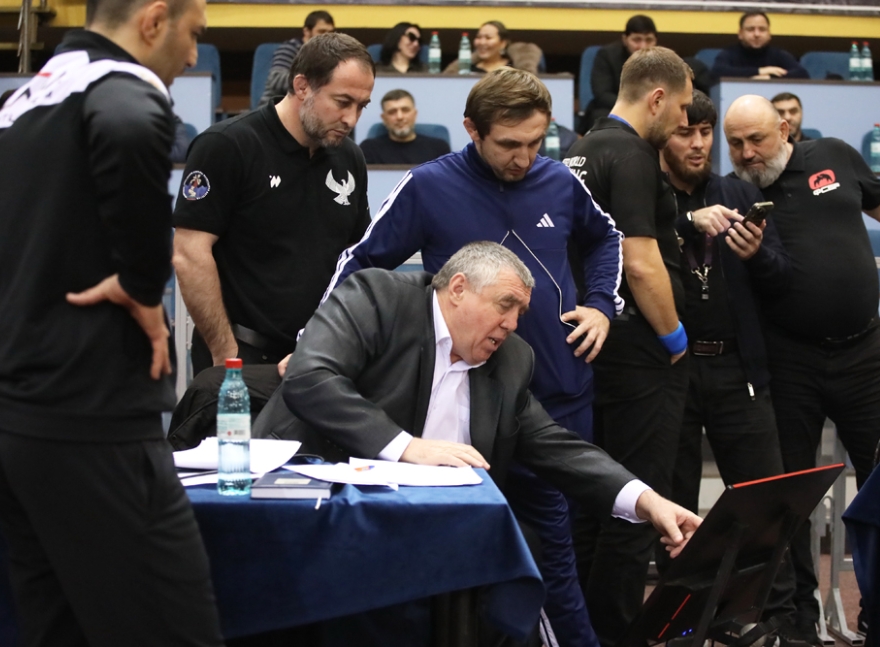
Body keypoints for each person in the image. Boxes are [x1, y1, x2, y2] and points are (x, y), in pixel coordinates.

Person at [267, 242, 701, 642]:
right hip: (314, 502)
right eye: (505, 305)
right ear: (458, 289)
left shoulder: (511, 361)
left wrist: (648, 501)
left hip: (422, 526)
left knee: (519, 554)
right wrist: (406, 447)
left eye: (520, 313)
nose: (511, 324)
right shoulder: (379, 298)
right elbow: (310, 377)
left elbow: (558, 446)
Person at [328, 67, 624, 647]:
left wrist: (600, 305)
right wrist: (314, 344)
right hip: (468, 410)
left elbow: (605, 237)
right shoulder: (428, 185)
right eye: (509, 144)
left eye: (535, 142)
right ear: (472, 129)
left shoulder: (559, 180)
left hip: (561, 400)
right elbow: (359, 264)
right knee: (465, 557)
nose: (524, 158)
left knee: (555, 556)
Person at [0, 0, 224, 642]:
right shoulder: (121, 87)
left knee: (59, 629)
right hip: (88, 420)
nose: (192, 56)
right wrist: (142, 283)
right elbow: (129, 124)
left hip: (9, 422)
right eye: (193, 35)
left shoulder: (14, 109)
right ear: (153, 21)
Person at [723, 94, 880, 644]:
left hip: (863, 354)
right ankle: (797, 619)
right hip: (789, 361)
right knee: (791, 496)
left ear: (785, 129)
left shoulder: (834, 155)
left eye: (757, 139)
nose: (748, 153)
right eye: (736, 144)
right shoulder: (734, 194)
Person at [661, 90, 818, 646]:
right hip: (672, 370)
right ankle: (679, 626)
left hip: (737, 369)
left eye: (706, 133)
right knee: (674, 507)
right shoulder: (651, 195)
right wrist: (686, 222)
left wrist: (758, 255)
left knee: (767, 505)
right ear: (663, 136)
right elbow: (632, 254)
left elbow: (782, 277)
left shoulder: (739, 192)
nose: (698, 144)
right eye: (686, 133)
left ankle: (780, 623)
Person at [564, 46, 693, 646]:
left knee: (596, 497)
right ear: (658, 98)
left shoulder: (579, 148)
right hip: (640, 350)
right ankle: (616, 634)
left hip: (593, 347)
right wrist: (674, 336)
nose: (685, 121)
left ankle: (581, 632)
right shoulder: (636, 155)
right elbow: (640, 262)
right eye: (683, 107)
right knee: (636, 501)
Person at [173, 33, 374, 375]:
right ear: (302, 86)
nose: (352, 119)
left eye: (361, 106)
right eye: (342, 102)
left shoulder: (349, 158)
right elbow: (189, 253)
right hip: (242, 355)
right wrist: (226, 355)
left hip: (320, 358)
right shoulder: (227, 145)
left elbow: (355, 259)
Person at [588, 15, 658, 128]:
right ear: (625, 40)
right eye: (637, 40)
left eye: (649, 40)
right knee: (601, 117)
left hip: (650, 109)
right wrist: (634, 107)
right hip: (615, 107)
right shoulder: (607, 55)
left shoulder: (663, 60)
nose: (643, 46)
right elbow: (602, 94)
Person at [257, 9, 335, 106]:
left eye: (330, 32)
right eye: (321, 31)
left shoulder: (329, 56)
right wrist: (312, 82)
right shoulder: (290, 48)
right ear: (307, 31)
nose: (327, 36)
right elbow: (276, 80)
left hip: (307, 108)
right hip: (275, 107)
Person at [359, 89, 451, 165]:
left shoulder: (438, 148)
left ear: (415, 114)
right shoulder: (369, 149)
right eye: (392, 112)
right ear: (384, 118)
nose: (400, 117)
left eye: (405, 110)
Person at [712, 12, 808, 80]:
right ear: (740, 33)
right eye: (750, 29)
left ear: (769, 34)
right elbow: (717, 72)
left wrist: (770, 77)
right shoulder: (729, 54)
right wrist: (760, 71)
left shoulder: (779, 54)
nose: (757, 34)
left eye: (762, 29)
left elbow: (802, 74)